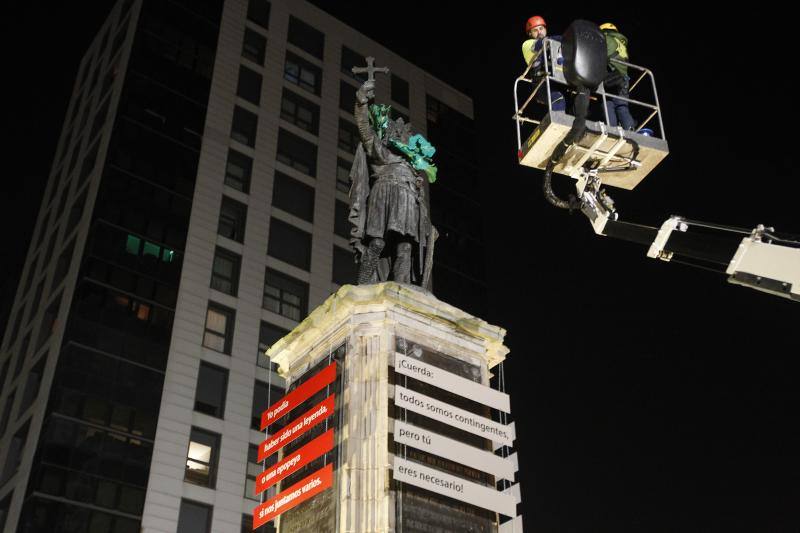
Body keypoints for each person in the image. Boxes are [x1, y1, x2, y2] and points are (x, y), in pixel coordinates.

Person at [348, 78, 435, 286]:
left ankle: (402, 290)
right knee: (377, 242)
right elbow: (364, 130)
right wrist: (361, 103)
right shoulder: (380, 151)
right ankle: (363, 286)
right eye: (394, 132)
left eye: (403, 133)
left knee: (405, 247)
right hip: (383, 193)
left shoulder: (412, 166)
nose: (399, 135)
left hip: (407, 199)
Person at [521, 15, 566, 112]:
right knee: (558, 98)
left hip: (558, 80)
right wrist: (566, 38)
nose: (539, 32)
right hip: (541, 84)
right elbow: (542, 43)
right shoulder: (527, 45)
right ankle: (558, 124)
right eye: (535, 30)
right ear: (530, 34)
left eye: (541, 28)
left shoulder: (555, 46)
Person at [600, 22, 636, 130]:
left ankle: (612, 130)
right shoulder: (621, 43)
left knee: (607, 103)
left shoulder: (606, 39)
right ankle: (630, 130)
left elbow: (598, 55)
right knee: (622, 106)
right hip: (624, 79)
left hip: (611, 76)